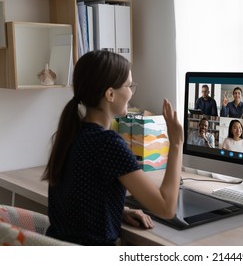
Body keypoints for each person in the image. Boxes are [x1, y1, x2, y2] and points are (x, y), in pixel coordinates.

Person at [42, 50, 184, 245]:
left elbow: (78, 196)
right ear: (110, 94)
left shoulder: (72, 133)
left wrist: (119, 210)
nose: (131, 92)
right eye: (129, 86)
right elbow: (166, 208)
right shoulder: (107, 143)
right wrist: (176, 143)